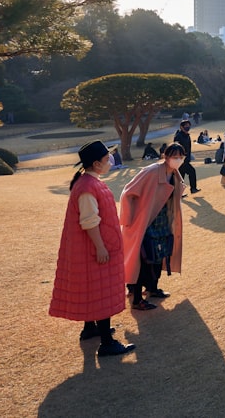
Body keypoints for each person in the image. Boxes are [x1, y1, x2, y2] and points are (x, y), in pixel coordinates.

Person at [49, 141, 134, 356]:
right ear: (96, 163)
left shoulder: (90, 182)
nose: (110, 162)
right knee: (101, 291)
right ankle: (106, 342)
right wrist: (100, 247)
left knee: (93, 289)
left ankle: (90, 328)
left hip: (97, 248)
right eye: (106, 159)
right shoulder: (87, 187)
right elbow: (89, 221)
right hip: (95, 250)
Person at [120, 143, 185, 311]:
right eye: (174, 156)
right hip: (145, 222)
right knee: (143, 259)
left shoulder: (174, 174)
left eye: (181, 156)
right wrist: (128, 220)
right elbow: (127, 192)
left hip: (162, 220)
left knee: (159, 256)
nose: (178, 160)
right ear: (165, 156)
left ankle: (152, 288)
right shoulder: (151, 172)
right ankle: (136, 298)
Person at [172, 120, 200, 194]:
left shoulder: (187, 135)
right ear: (181, 127)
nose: (188, 127)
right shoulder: (178, 136)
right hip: (180, 160)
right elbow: (175, 148)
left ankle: (181, 192)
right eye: (186, 125)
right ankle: (191, 189)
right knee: (188, 173)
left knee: (181, 176)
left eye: (188, 125)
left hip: (186, 159)